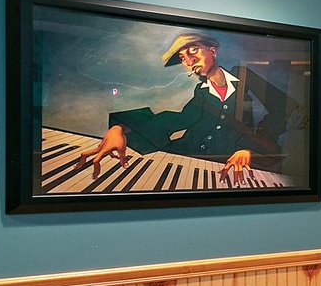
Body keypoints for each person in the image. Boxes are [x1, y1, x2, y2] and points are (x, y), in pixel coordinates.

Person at [80, 32, 296, 187]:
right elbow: (173, 120)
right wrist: (120, 128)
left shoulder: (243, 76)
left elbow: (282, 109)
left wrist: (248, 150)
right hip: (186, 156)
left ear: (212, 50)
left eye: (193, 51)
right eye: (183, 59)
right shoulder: (200, 93)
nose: (189, 60)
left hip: (225, 165)